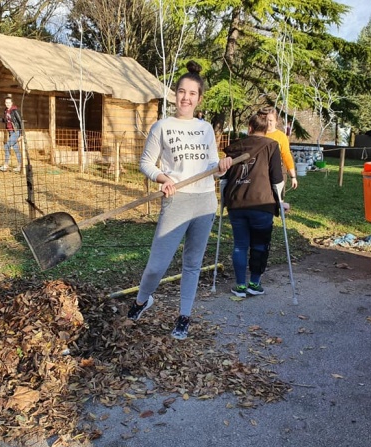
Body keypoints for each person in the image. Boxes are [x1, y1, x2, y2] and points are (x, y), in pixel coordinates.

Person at [126, 60, 233, 340]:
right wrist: (163, 178)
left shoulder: (206, 128)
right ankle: (142, 300)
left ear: (199, 98)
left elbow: (211, 162)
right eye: (181, 92)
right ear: (175, 94)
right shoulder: (162, 126)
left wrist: (220, 166)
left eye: (192, 93)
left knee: (192, 263)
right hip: (177, 201)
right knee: (157, 265)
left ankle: (184, 316)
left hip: (204, 202)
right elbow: (146, 162)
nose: (186, 97)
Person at [221, 109, 284, 297]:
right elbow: (277, 179)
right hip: (262, 203)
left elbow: (224, 179)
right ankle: (254, 284)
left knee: (240, 245)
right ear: (266, 129)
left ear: (249, 128)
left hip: (236, 204)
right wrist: (280, 201)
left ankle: (240, 285)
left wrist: (224, 201)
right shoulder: (272, 146)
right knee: (260, 245)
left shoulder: (234, 147)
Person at [265, 107, 298, 191]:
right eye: (266, 120)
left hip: (278, 171)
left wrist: (293, 176)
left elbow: (286, 156)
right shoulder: (259, 134)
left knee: (278, 199)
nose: (268, 123)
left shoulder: (281, 136)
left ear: (276, 121)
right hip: (262, 172)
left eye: (271, 120)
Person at [0, 96, 23, 173]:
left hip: (16, 132)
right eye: (6, 102)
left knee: (6, 145)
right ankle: (20, 165)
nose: (7, 104)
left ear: (12, 103)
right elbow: (6, 121)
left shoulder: (14, 111)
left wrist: (22, 135)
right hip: (10, 132)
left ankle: (6, 165)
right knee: (16, 149)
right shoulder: (6, 111)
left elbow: (20, 122)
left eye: (9, 102)